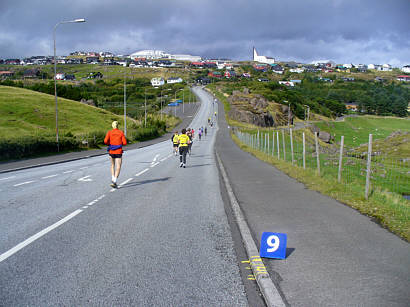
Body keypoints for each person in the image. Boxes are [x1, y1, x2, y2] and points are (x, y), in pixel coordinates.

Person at [104, 121, 127, 188]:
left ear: (112, 126)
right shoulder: (121, 132)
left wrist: (109, 144)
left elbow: (105, 141)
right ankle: (114, 181)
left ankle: (112, 178)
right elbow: (125, 142)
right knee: (118, 166)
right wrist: (119, 144)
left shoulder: (109, 132)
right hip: (118, 151)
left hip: (111, 151)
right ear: (118, 126)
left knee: (112, 165)